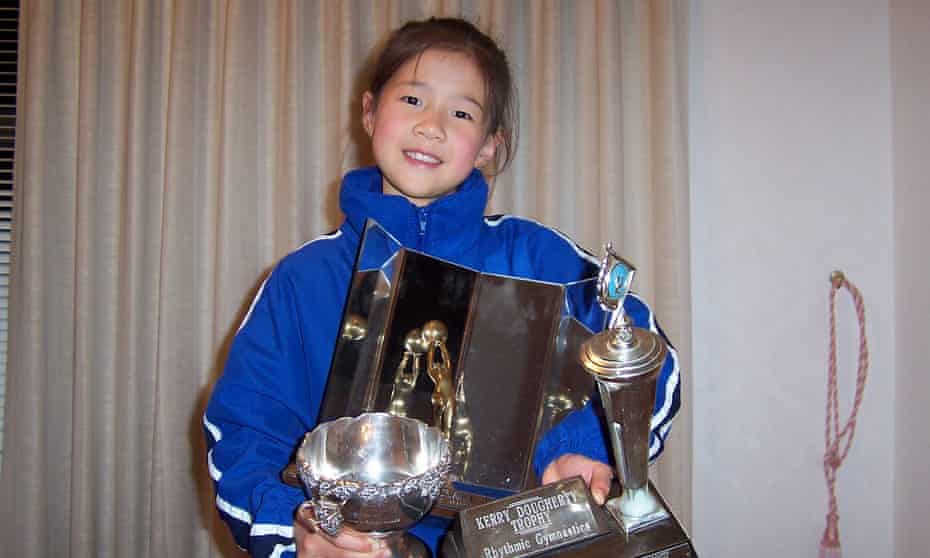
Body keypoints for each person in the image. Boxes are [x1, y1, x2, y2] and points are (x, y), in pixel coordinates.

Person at [204, 17, 680, 558]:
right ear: (368, 111)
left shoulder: (539, 258)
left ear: (487, 146)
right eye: (412, 100)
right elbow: (244, 431)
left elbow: (645, 359)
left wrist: (583, 446)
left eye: (461, 113)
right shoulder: (302, 279)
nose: (432, 126)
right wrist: (296, 529)